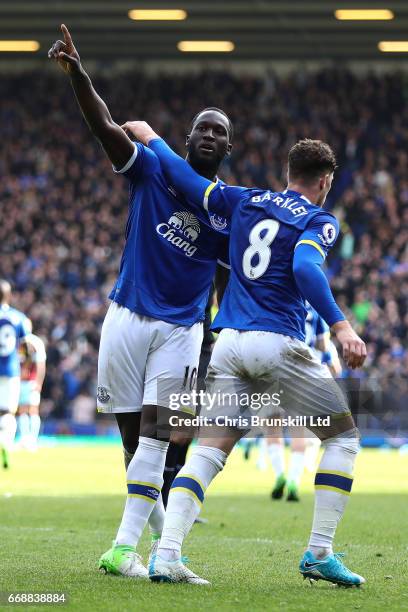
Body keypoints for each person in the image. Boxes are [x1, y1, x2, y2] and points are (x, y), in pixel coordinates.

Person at [124, 122, 367, 587]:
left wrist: (152, 137)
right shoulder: (320, 219)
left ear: (287, 171)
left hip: (230, 341)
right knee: (342, 439)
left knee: (210, 450)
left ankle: (167, 554)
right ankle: (319, 551)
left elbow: (186, 179)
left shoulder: (246, 198)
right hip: (276, 341)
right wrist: (340, 324)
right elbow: (303, 265)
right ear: (324, 182)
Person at [48, 25, 232, 581]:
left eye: (219, 132)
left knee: (159, 435)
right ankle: (161, 551)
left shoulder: (226, 210)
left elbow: (226, 276)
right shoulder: (151, 168)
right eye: (202, 126)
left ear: (227, 147)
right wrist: (79, 73)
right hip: (125, 319)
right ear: (187, 136)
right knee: (134, 444)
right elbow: (104, 125)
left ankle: (127, 549)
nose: (209, 134)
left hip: (181, 331)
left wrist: (214, 333)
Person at [267, 303, 343, 502]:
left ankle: (279, 475)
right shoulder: (314, 308)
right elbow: (323, 345)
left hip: (275, 368)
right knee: (298, 431)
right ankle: (293, 481)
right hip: (301, 372)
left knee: (272, 428)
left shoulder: (278, 299)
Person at [0, 280, 31, 468]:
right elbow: (26, 346)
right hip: (11, 370)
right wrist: (24, 362)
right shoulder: (18, 317)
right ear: (9, 296)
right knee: (8, 412)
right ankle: (5, 443)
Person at [17, 321, 47, 451]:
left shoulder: (23, 341)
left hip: (28, 381)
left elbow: (40, 365)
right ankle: (28, 439)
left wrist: (39, 382)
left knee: (29, 409)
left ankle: (30, 439)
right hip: (24, 381)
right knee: (28, 409)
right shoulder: (35, 341)